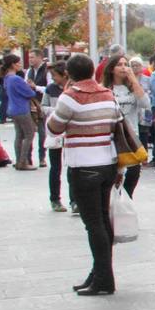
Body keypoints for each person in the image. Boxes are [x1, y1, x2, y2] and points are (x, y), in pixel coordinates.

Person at [47, 54, 122, 295]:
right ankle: (99, 273)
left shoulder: (70, 97)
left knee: (94, 224)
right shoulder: (107, 94)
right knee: (101, 219)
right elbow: (116, 125)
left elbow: (54, 127)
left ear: (69, 74)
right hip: (107, 163)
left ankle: (103, 279)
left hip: (83, 166)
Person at [102, 55, 150, 199]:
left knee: (134, 172)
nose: (123, 67)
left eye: (125, 64)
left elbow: (145, 104)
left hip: (131, 136)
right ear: (111, 69)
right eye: (119, 64)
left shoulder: (131, 86)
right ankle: (112, 202)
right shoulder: (105, 88)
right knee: (115, 174)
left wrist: (133, 80)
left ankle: (127, 199)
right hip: (112, 137)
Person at [2, 55, 41, 170]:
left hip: (13, 108)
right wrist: (30, 86)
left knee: (19, 135)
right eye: (18, 63)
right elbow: (30, 93)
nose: (20, 65)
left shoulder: (7, 78)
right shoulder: (16, 79)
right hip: (22, 109)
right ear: (13, 64)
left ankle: (19, 159)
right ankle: (23, 161)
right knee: (29, 134)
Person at [41, 61, 71, 210]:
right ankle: (55, 199)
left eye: (55, 75)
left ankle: (75, 200)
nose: (53, 78)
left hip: (71, 132)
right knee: (55, 167)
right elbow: (43, 107)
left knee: (73, 166)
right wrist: (58, 110)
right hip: (55, 130)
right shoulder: (50, 89)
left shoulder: (73, 88)